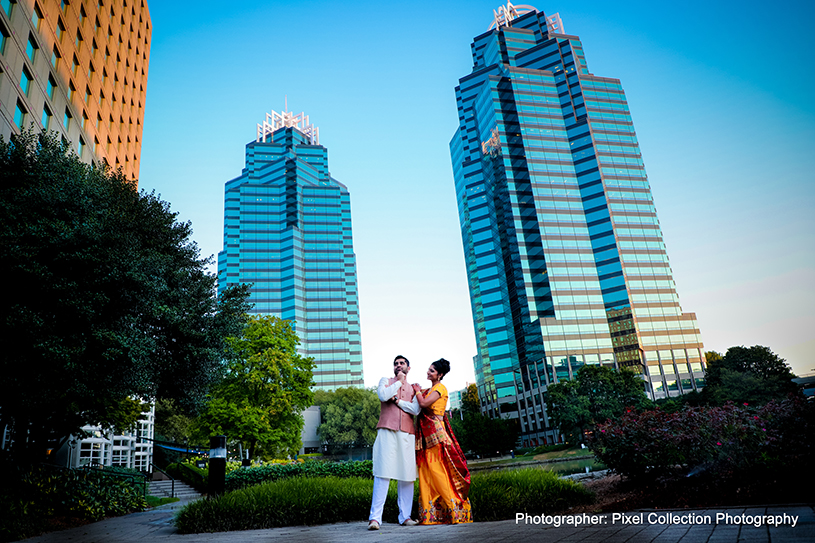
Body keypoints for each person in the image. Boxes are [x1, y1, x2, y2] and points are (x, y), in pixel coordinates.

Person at [413, 358, 472, 524]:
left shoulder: (439, 388)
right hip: (426, 437)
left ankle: (456, 512)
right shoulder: (430, 389)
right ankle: (431, 516)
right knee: (426, 474)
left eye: (432, 371)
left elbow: (423, 403)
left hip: (436, 435)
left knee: (438, 473)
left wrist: (417, 391)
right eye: (429, 369)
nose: (428, 372)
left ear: (440, 375)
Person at [368, 355, 420, 530]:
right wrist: (398, 382)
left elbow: (415, 409)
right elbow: (383, 395)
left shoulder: (414, 388)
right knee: (382, 473)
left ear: (408, 368)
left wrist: (397, 400)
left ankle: (405, 517)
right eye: (396, 364)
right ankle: (375, 519)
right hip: (387, 431)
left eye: (402, 363)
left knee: (407, 476)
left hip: (406, 434)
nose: (398, 365)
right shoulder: (386, 381)